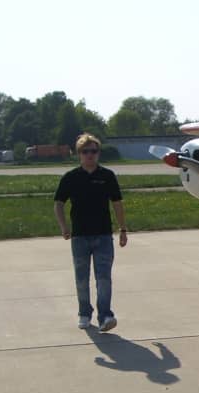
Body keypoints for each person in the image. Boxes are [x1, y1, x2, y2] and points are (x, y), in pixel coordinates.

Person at [54, 133, 128, 332]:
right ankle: (84, 313)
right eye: (85, 152)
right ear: (79, 154)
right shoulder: (71, 177)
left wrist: (122, 229)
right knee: (81, 278)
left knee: (103, 277)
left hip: (103, 235)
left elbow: (117, 204)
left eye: (94, 151)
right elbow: (59, 204)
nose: (90, 155)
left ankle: (105, 315)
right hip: (79, 236)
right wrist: (63, 226)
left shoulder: (107, 176)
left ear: (98, 153)